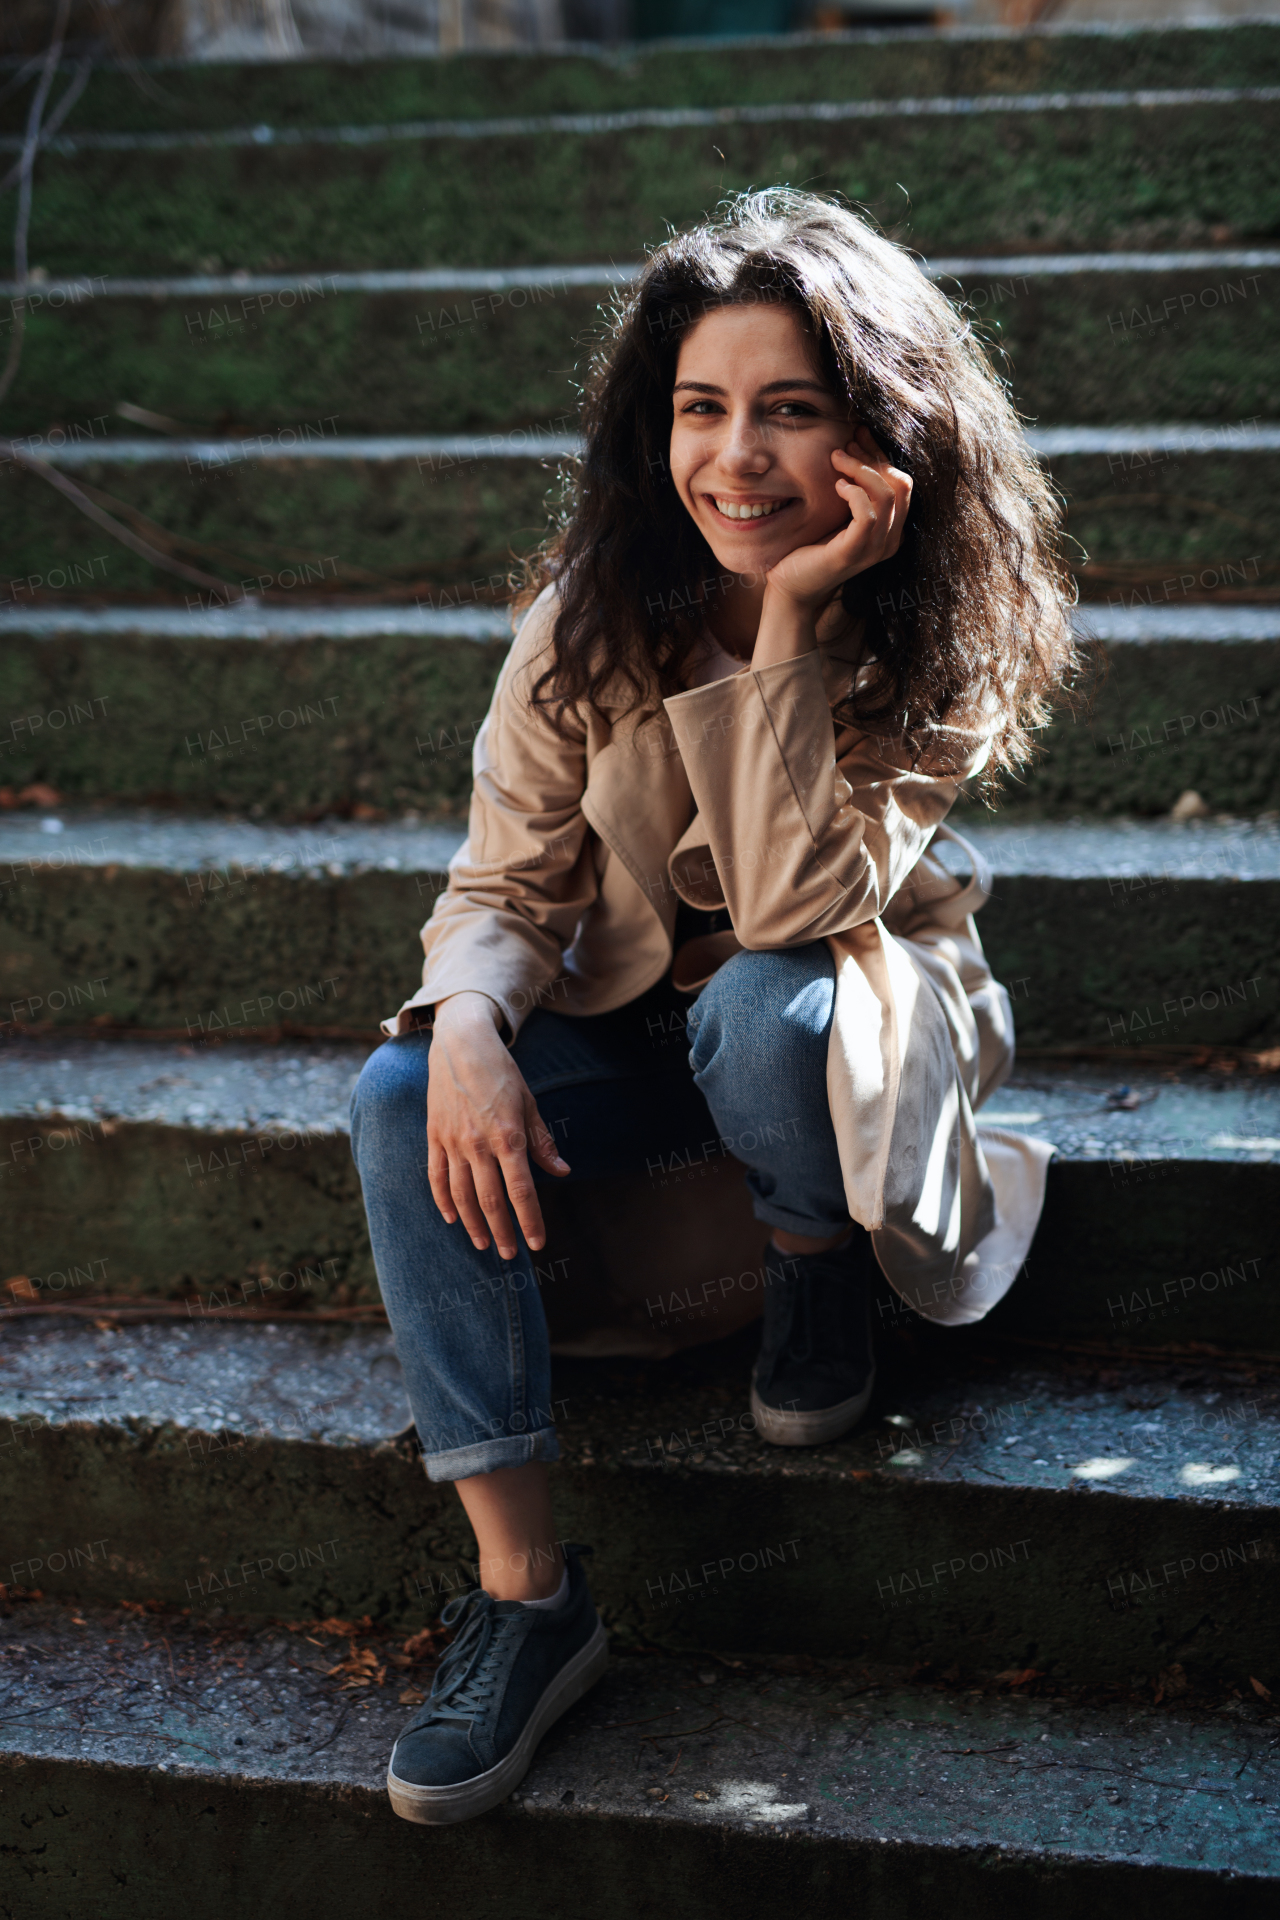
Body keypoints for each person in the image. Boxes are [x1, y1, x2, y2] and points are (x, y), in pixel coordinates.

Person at [350, 189, 1074, 1825]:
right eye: (701, 408)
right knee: (398, 1095)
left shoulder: (926, 637)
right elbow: (500, 888)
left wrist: (795, 623)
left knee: (764, 1006)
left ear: (881, 440)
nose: (735, 458)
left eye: (790, 410)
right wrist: (464, 1027)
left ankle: (815, 1264)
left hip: (818, 1045)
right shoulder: (588, 616)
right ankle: (530, 1599)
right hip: (621, 1040)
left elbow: (797, 915)